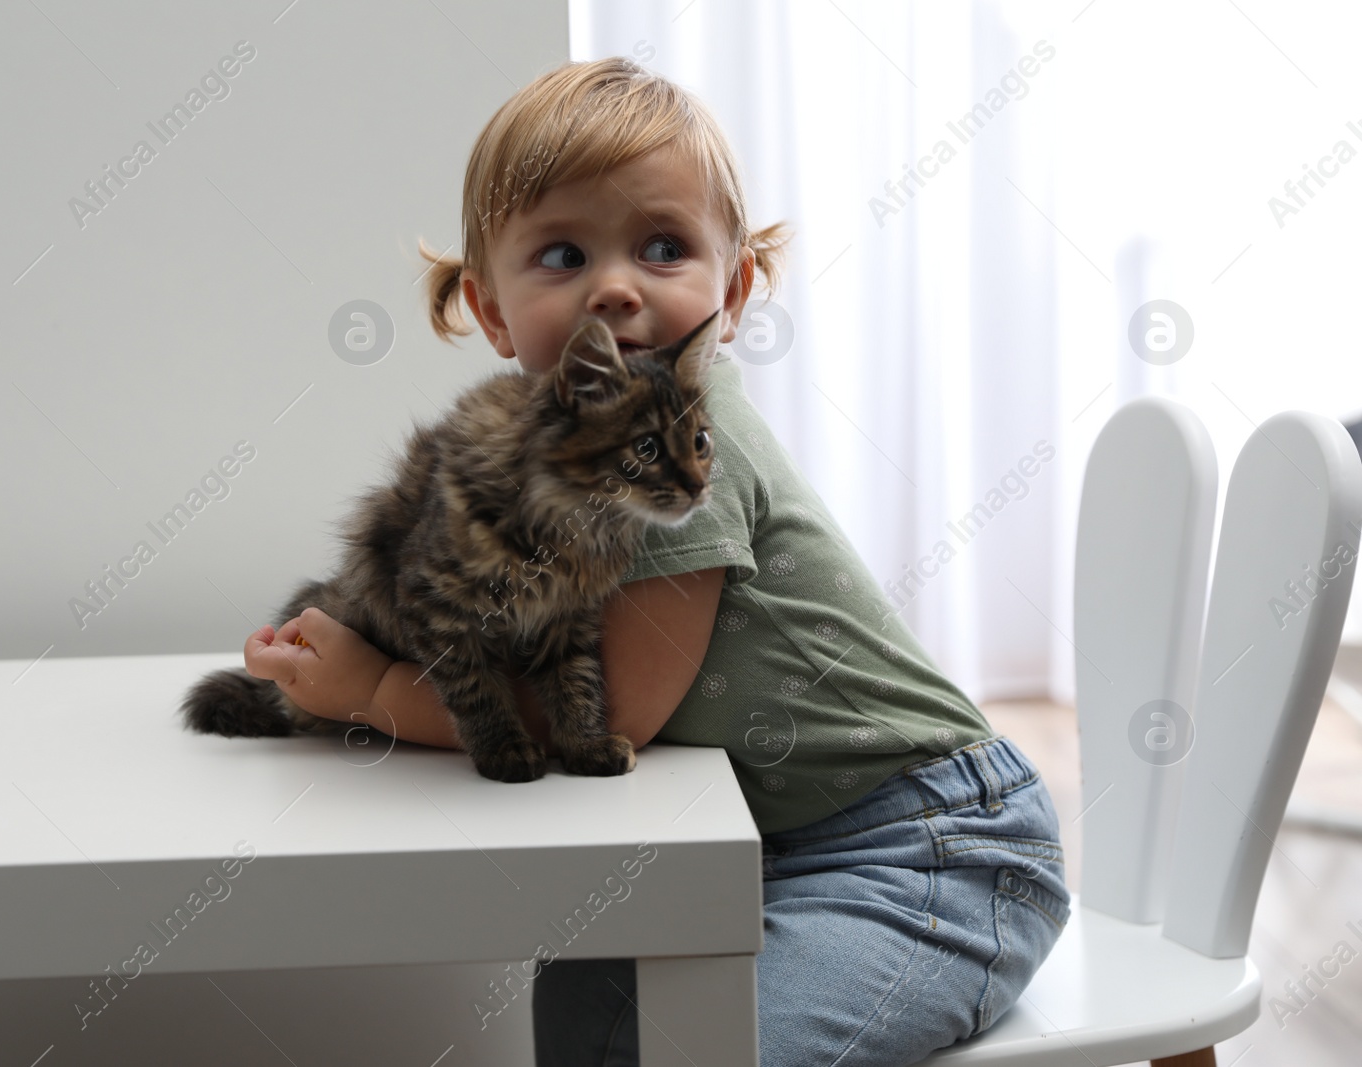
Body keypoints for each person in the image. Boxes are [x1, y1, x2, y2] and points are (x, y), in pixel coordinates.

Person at [248, 56, 1071, 1067]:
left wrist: (373, 688)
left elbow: (613, 714)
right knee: (586, 1003)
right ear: (492, 310)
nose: (614, 288)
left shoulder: (682, 446)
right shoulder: (549, 461)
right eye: (560, 255)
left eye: (662, 247)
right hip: (746, 852)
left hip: (924, 850)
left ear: (732, 289)